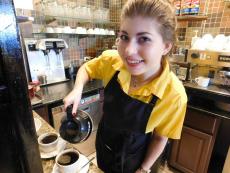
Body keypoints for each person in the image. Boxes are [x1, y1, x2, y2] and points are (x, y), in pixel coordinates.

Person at [63, 0, 187, 172]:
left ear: (166, 46)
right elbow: (87, 69)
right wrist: (77, 90)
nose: (128, 51)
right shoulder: (112, 62)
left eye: (144, 39)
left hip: (136, 161)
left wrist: (144, 169)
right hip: (105, 149)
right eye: (124, 37)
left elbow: (160, 138)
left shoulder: (174, 95)